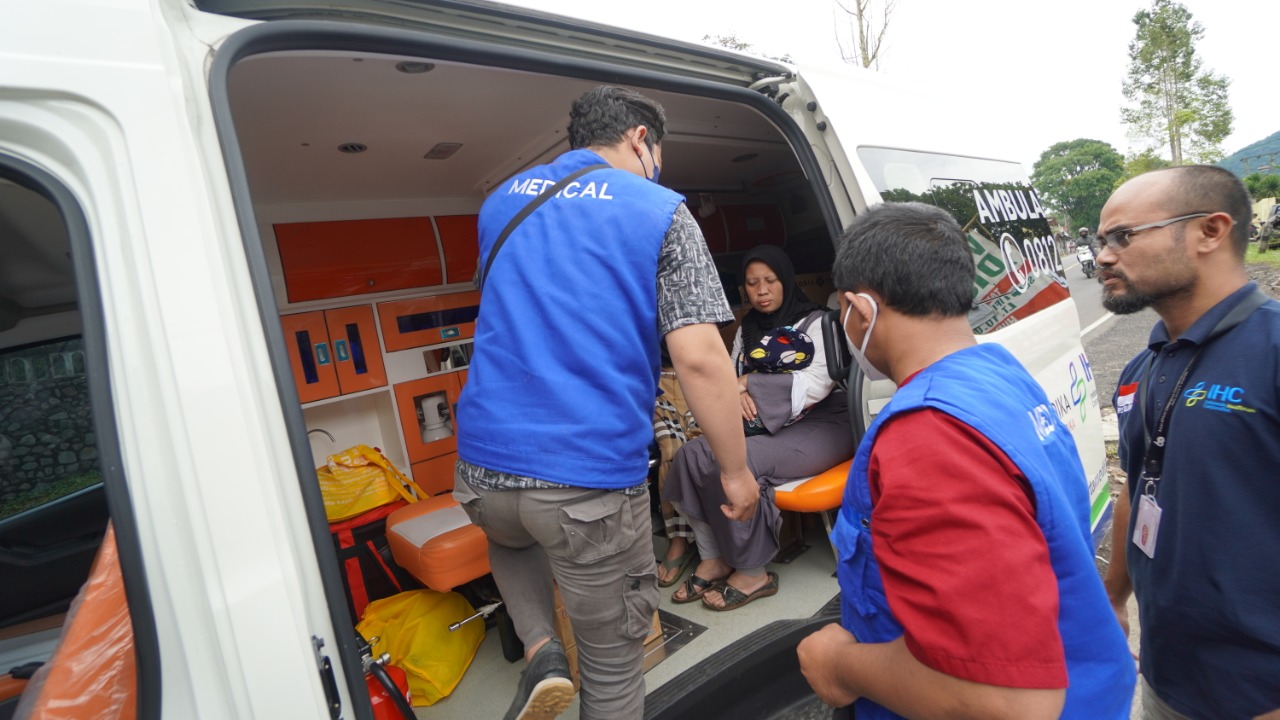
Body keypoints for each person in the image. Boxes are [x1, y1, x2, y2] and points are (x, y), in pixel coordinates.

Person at [453, 85, 758, 720]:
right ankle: (569, 666)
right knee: (613, 671)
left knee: (511, 543)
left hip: (481, 467)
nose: (657, 171)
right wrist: (735, 471)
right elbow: (699, 356)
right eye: (658, 157)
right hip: (582, 474)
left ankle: (540, 648)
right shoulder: (660, 209)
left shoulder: (499, 203)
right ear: (641, 140)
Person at [797, 202, 1135, 719]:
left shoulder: (931, 437)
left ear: (859, 310)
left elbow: (1007, 703)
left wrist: (840, 665)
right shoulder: (1000, 374)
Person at [1098, 166, 1280, 720]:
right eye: (1100, 240)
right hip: (1167, 678)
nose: (1103, 256)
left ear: (1210, 231)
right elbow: (1138, 484)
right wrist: (1114, 597)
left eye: (1122, 236)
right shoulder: (1141, 368)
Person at [663, 245, 854, 610]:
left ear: (785, 281)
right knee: (690, 455)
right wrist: (735, 389)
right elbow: (731, 379)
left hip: (824, 420)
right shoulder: (747, 329)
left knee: (736, 463)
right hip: (766, 422)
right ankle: (713, 556)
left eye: (770, 281)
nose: (761, 290)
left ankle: (753, 573)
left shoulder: (817, 321)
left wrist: (748, 383)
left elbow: (817, 383)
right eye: (752, 284)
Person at [651, 353, 701, 588]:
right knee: (672, 451)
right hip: (653, 380)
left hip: (695, 377)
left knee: (698, 449)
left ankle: (709, 539)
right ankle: (679, 538)